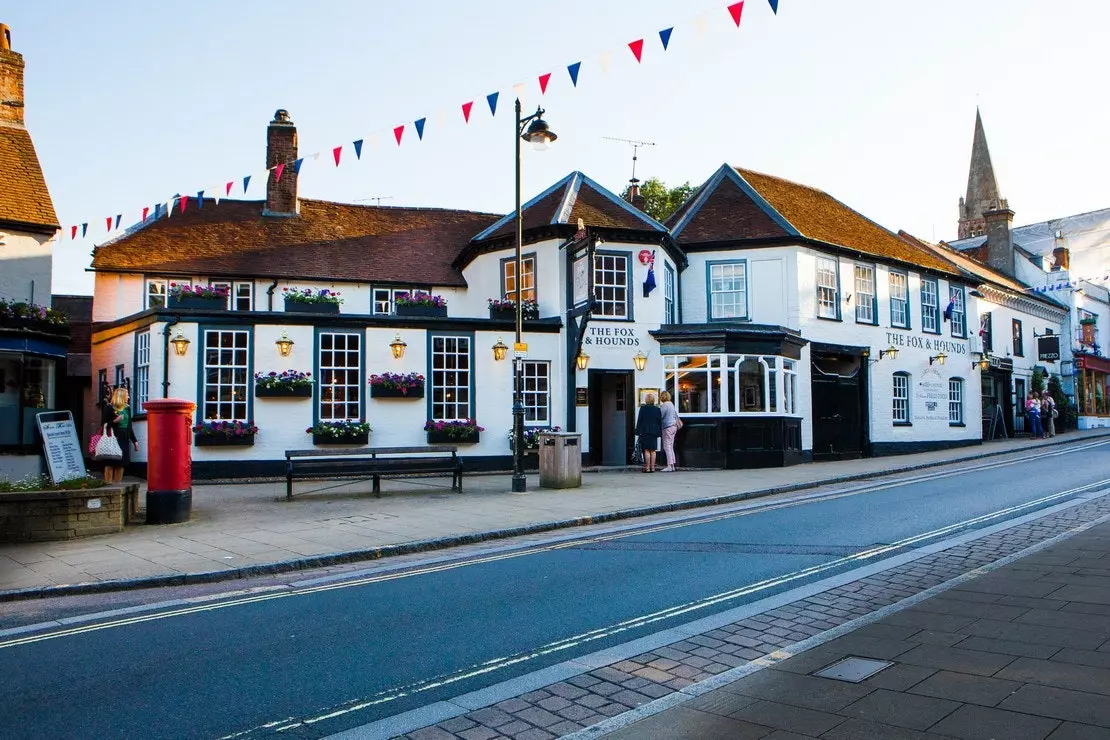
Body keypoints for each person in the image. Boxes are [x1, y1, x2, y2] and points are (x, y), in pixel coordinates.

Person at [106, 386, 139, 483]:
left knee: (121, 462)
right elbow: (104, 424)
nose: (128, 397)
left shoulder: (127, 408)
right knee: (111, 461)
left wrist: (135, 441)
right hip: (113, 436)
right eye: (127, 395)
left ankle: (117, 484)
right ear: (121, 396)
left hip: (124, 436)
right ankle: (108, 484)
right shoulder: (109, 408)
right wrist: (115, 421)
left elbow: (129, 426)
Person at [635, 393, 663, 473]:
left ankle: (647, 468)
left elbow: (640, 420)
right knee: (653, 450)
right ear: (653, 400)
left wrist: (637, 430)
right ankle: (653, 468)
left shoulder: (643, 408)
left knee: (647, 450)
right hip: (654, 431)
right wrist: (659, 430)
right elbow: (659, 421)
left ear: (646, 400)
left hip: (645, 430)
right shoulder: (657, 409)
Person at [659, 390, 681, 472]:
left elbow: (660, 415)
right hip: (674, 426)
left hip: (667, 427)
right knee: (670, 446)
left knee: (666, 446)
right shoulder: (671, 404)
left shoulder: (665, 405)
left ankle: (669, 465)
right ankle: (672, 465)